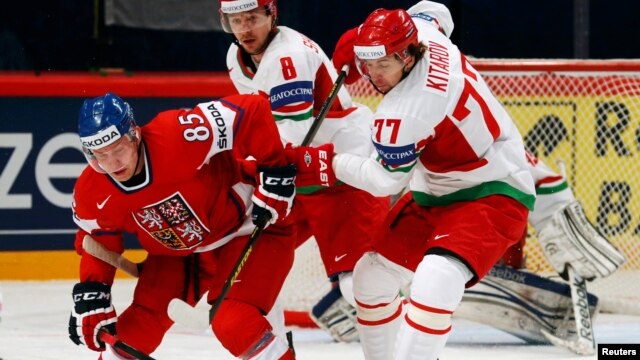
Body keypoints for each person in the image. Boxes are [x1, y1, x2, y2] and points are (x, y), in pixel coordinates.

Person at [285, 2, 538, 359]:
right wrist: (363, 39)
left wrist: (326, 163)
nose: (374, 77)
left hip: (494, 189)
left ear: (407, 56)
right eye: (367, 65)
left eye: (382, 65)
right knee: (368, 281)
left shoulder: (406, 111)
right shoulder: (424, 31)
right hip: (436, 188)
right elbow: (436, 9)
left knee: (435, 281)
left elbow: (383, 180)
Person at [68, 92, 298, 359]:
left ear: (135, 134)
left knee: (234, 323)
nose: (113, 163)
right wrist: (93, 292)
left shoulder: (178, 133)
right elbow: (98, 239)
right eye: (100, 154)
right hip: (179, 256)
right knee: (129, 338)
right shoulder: (91, 190)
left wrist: (273, 168)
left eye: (118, 148)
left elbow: (252, 109)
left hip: (248, 228)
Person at [218, 0, 390, 342]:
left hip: (341, 169)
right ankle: (275, 346)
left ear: (271, 14)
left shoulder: (289, 57)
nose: (244, 29)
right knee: (256, 265)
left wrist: (244, 167)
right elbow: (262, 130)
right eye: (235, 21)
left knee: (358, 286)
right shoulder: (235, 59)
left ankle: (408, 306)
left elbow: (289, 137)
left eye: (251, 18)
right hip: (299, 174)